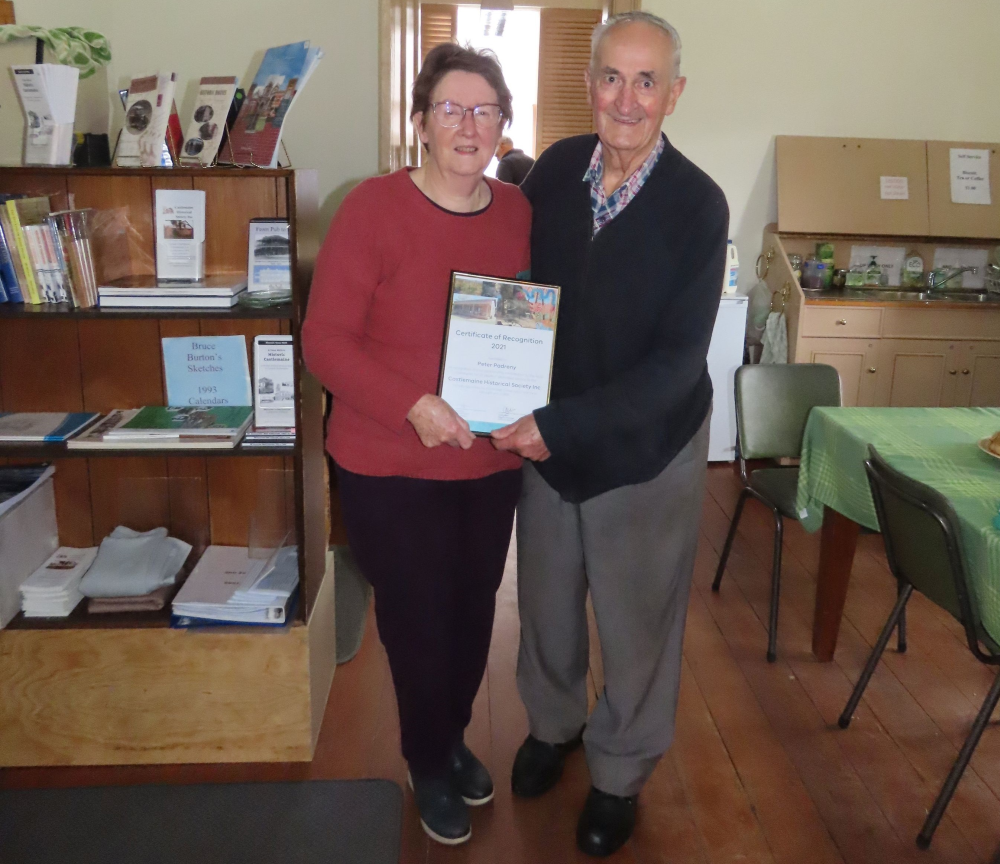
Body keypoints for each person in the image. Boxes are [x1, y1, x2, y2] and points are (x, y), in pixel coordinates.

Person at [491, 11, 729, 858]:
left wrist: (557, 423)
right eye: (611, 78)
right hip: (547, 446)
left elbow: (675, 366)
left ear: (674, 92)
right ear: (588, 83)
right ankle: (552, 727)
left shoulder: (699, 204)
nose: (626, 100)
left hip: (643, 451)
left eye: (646, 81)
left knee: (636, 621)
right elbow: (512, 287)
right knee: (548, 604)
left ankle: (620, 770)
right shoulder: (553, 171)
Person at [302, 44, 530, 847]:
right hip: (388, 461)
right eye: (451, 110)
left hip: (488, 460)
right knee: (418, 618)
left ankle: (450, 736)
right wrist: (413, 405)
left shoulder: (517, 214)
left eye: (485, 111)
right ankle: (425, 760)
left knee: (471, 615)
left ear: (503, 126)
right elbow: (323, 342)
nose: (468, 125)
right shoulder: (372, 209)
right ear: (422, 124)